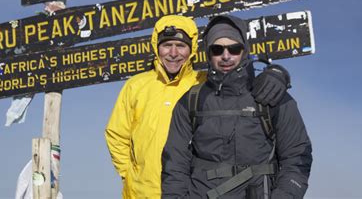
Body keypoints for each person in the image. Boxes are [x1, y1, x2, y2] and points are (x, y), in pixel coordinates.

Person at [105, 15, 291, 198]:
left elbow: (239, 85)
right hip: (142, 193)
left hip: (189, 191)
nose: (173, 53)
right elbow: (117, 135)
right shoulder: (136, 85)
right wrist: (131, 175)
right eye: (167, 45)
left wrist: (277, 74)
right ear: (156, 47)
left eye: (181, 46)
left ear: (192, 49)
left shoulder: (204, 84)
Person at [161, 14, 312, 199]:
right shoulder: (191, 100)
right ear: (208, 53)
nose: (226, 56)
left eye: (234, 48)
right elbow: (174, 163)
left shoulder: (272, 96)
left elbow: (297, 157)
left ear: (244, 50)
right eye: (217, 49)